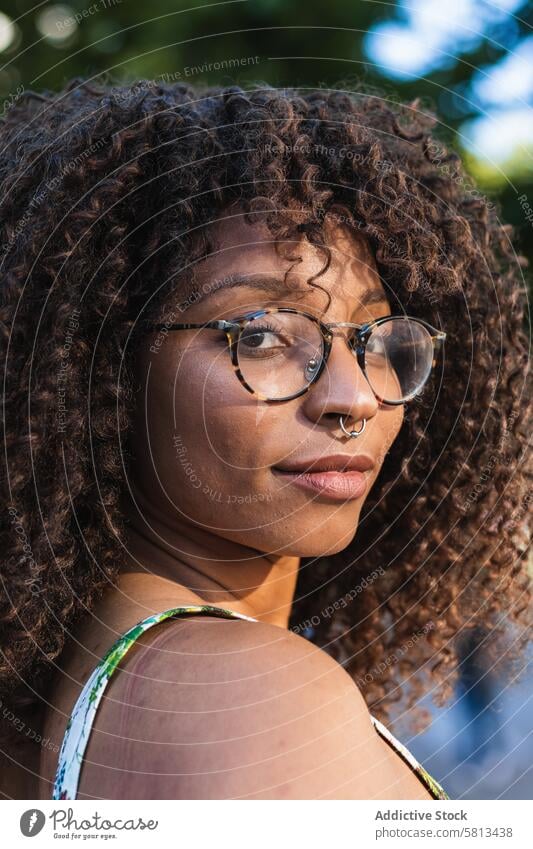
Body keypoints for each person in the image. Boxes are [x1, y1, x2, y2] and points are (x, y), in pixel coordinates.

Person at [0, 79, 530, 800]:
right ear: (95, 364)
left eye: (376, 337)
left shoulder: (67, 673)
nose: (351, 397)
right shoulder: (253, 700)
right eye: (261, 335)